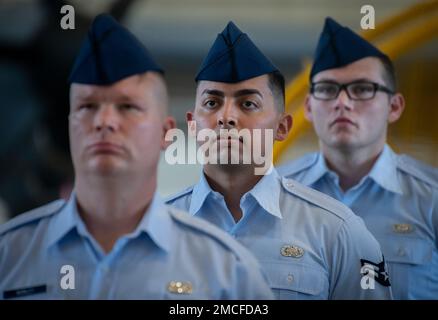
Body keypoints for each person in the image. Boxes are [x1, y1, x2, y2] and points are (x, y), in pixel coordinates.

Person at [0, 14, 273, 300]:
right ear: (69, 125)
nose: (104, 121)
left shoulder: (228, 274)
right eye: (88, 106)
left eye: (127, 106)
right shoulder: (10, 257)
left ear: (167, 133)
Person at [166, 21, 393, 300]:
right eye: (212, 103)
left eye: (248, 103)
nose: (226, 117)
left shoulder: (338, 232)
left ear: (282, 126)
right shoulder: (153, 231)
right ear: (191, 124)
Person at [278, 17, 438, 299]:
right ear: (308, 107)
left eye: (363, 89)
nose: (343, 102)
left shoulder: (431, 198)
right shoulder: (271, 197)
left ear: (395, 106)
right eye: (327, 89)